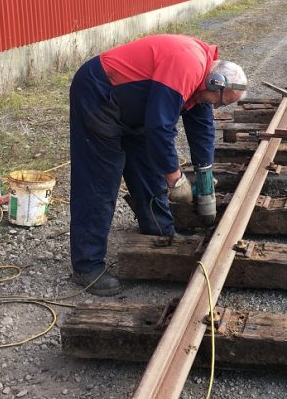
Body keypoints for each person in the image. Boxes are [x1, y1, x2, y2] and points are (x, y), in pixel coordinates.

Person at [68, 34, 247, 296]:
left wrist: (205, 174)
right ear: (215, 83)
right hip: (99, 93)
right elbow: (160, 126)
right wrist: (175, 179)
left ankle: (159, 232)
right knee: (100, 182)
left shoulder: (205, 80)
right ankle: (87, 266)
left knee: (147, 171)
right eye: (220, 101)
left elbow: (202, 126)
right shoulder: (187, 66)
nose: (217, 107)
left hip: (134, 107)